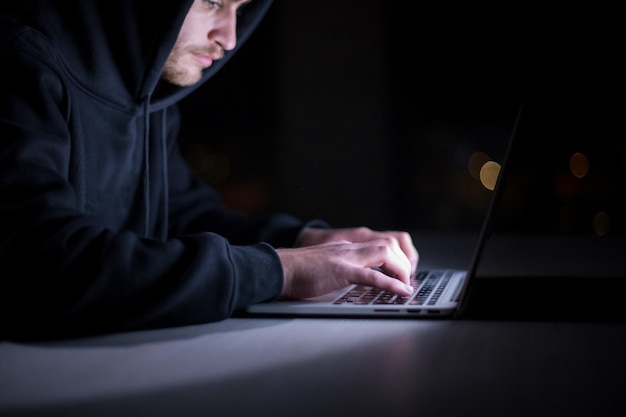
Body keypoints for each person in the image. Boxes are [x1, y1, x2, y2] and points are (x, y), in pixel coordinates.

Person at [0, 0, 418, 341]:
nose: (230, 37)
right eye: (213, 2)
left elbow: (184, 215)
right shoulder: (20, 63)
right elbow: (41, 266)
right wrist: (282, 270)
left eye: (241, 8)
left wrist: (307, 241)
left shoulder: (149, 94)